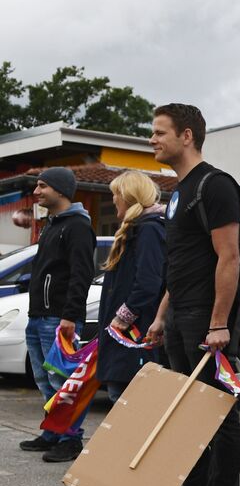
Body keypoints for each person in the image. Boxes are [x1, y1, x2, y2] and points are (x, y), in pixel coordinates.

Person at [144, 103, 240, 486]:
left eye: (159, 132)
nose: (152, 139)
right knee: (186, 409)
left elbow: (230, 256)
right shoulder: (178, 191)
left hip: (208, 317)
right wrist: (160, 316)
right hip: (181, 315)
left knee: (217, 408)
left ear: (187, 136)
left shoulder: (215, 185)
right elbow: (180, 261)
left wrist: (219, 323)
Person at [19, 166, 96, 463]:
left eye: (42, 186)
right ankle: (52, 431)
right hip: (38, 316)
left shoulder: (77, 226)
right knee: (42, 378)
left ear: (60, 190)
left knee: (62, 381)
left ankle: (71, 438)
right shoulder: (52, 224)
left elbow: (81, 275)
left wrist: (69, 316)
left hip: (59, 319)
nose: (36, 192)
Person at [96, 170, 167, 401]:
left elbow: (148, 283)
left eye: (116, 193)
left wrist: (121, 319)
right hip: (128, 336)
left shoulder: (149, 229)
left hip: (134, 335)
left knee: (127, 401)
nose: (113, 199)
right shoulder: (139, 228)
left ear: (128, 195)